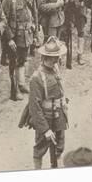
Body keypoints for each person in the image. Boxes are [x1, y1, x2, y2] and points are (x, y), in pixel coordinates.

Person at [28, 36, 68, 169]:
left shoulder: (55, 69)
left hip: (59, 116)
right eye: (52, 58)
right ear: (44, 57)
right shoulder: (37, 78)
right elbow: (34, 107)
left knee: (59, 145)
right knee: (41, 146)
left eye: (57, 57)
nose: (56, 60)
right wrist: (45, 129)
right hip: (45, 117)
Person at [2, 0, 37, 101]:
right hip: (14, 36)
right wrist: (9, 38)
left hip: (27, 34)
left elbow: (35, 13)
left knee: (22, 60)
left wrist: (35, 31)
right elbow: (3, 20)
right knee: (13, 62)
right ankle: (14, 89)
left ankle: (21, 84)